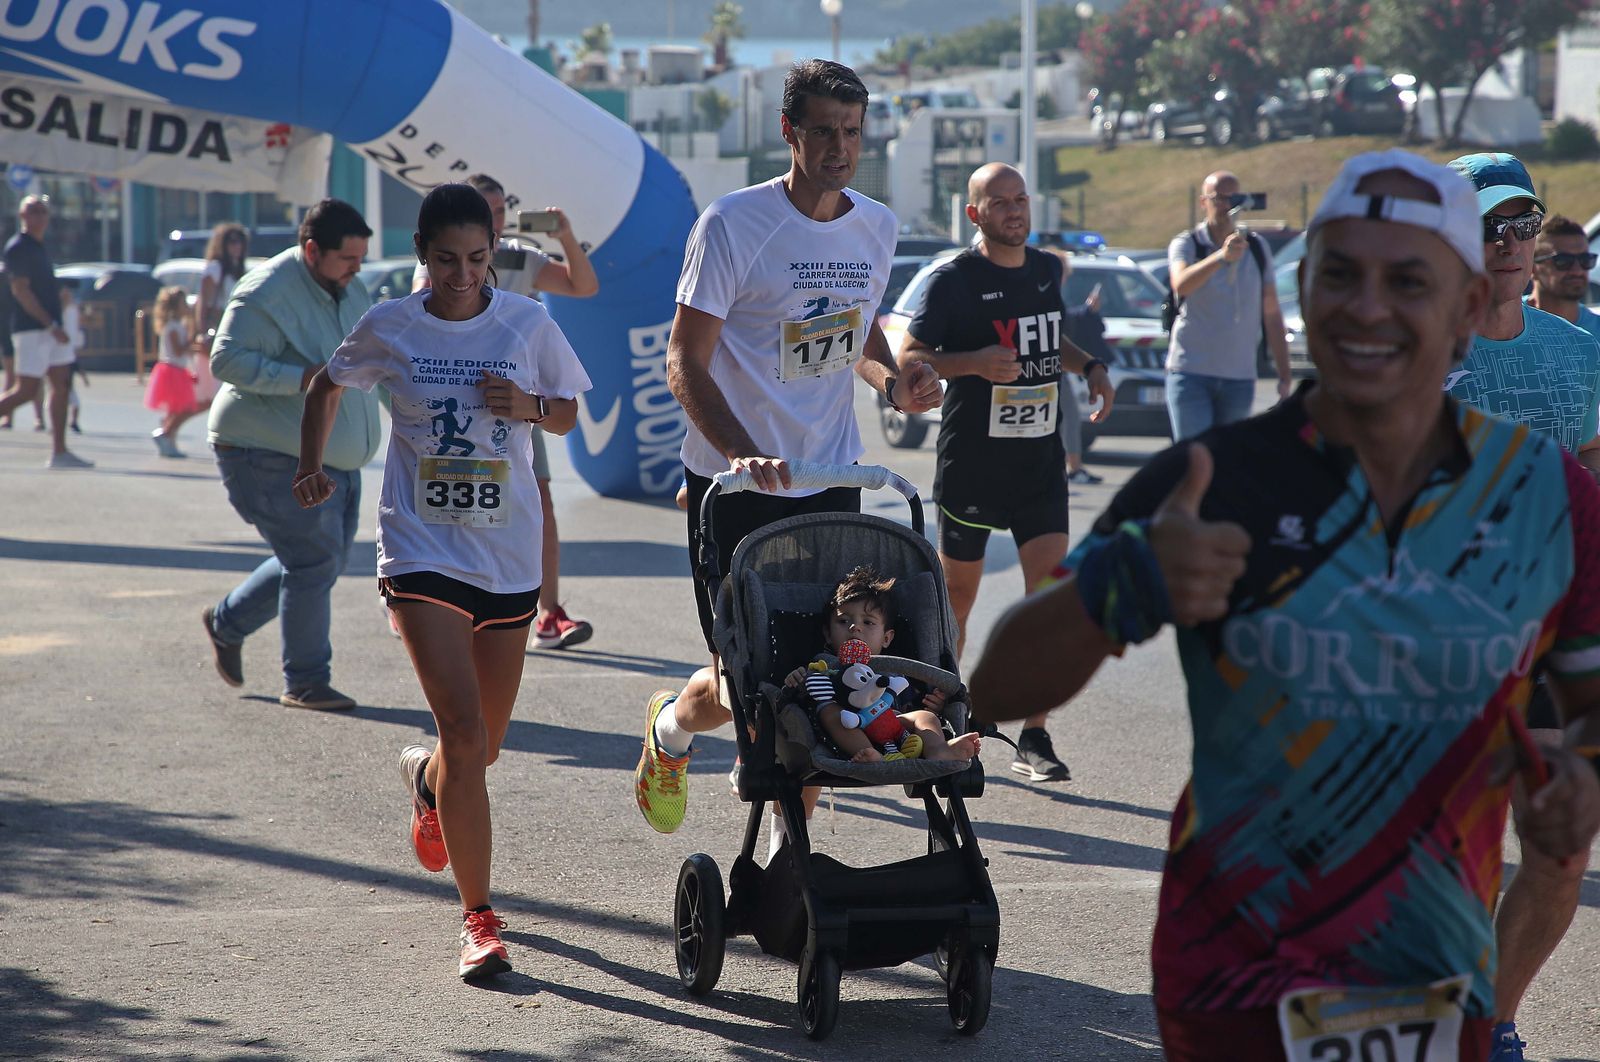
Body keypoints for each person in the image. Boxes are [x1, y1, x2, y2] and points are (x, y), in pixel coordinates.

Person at [967, 149, 1600, 1060]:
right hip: (1234, 977)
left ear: (1467, 304)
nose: (1369, 306)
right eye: (1340, 273)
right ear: (1306, 295)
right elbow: (994, 687)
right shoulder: (1214, 479)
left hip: (1435, 981)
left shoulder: (1547, 493)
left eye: (1407, 279)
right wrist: (1126, 582)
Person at [633, 58, 941, 837]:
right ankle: (672, 728)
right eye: (823, 131)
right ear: (789, 132)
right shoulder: (734, 223)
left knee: (824, 676)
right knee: (746, 679)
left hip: (830, 478)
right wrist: (741, 454)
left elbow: (858, 329)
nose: (840, 147)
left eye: (853, 131)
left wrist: (893, 381)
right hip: (736, 488)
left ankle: (783, 878)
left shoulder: (875, 224)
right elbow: (684, 361)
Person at [295, 181, 591, 982]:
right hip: (422, 552)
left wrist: (526, 403)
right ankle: (481, 920)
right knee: (463, 732)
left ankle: (428, 786)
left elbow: (567, 412)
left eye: (478, 259)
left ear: (493, 253)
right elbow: (325, 384)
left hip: (508, 556)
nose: (464, 275)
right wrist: (311, 467)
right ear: (423, 256)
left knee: (479, 751)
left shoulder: (526, 322)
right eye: (447, 260)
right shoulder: (390, 323)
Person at [1443, 153, 1600, 1062]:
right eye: (1488, 226)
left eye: (1522, 224)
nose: (1509, 244)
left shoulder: (1579, 357)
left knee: (1558, 854)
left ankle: (1488, 1021)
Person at [898, 163, 1115, 784]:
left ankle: (1035, 733)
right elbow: (913, 355)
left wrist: (1090, 367)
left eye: (1021, 199)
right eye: (1000, 202)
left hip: (1038, 466)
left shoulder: (1047, 269)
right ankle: (929, 724)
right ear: (975, 214)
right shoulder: (953, 282)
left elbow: (1053, 342)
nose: (1014, 210)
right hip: (973, 465)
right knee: (955, 603)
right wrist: (970, 362)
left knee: (1047, 601)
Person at [200, 199, 377, 712]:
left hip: (330, 457)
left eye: (361, 259)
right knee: (313, 560)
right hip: (262, 451)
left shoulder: (347, 285)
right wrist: (303, 379)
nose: (357, 269)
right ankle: (305, 680)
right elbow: (226, 359)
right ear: (311, 250)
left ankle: (227, 621)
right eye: (348, 259)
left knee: (317, 560)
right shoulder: (265, 291)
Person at [413, 172, 599, 651]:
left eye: (498, 213)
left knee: (538, 499)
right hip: (456, 401)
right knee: (445, 492)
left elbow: (583, 285)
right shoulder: (445, 267)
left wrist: (564, 237)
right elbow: (417, 308)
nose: (493, 222)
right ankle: (422, 589)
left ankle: (546, 610)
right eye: (484, 211)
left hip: (512, 400)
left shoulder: (518, 258)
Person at [786, 565, 982, 766]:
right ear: (828, 633)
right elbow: (809, 693)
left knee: (925, 717)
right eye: (843, 621)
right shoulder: (823, 663)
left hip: (892, 727)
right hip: (848, 725)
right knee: (829, 711)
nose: (855, 627)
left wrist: (937, 705)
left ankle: (938, 749)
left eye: (868, 622)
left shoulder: (896, 668)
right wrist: (797, 679)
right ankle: (869, 753)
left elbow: (910, 700)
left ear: (887, 638)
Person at [1165, 171, 1292, 440]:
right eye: (1218, 198)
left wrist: (1284, 373)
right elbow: (1181, 284)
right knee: (1193, 458)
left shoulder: (1256, 248)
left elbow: (1271, 312)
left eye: (1233, 198)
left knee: (1226, 464)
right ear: (1203, 202)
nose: (1226, 206)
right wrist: (1220, 257)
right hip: (1191, 373)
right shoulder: (1188, 243)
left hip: (1239, 377)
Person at [0, 196, 91, 468]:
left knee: (61, 384)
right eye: (33, 211)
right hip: (33, 329)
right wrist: (49, 324)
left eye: (43, 211)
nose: (39, 216)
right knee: (26, 390)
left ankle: (59, 452)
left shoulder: (40, 247)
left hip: (54, 329)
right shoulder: (18, 247)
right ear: (22, 216)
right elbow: (21, 290)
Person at [194, 222, 249, 406]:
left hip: (236, 329)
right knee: (214, 390)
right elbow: (203, 303)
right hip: (217, 328)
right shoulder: (215, 268)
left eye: (240, 242)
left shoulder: (239, 269)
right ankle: (170, 427)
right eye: (232, 242)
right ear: (222, 245)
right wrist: (201, 331)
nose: (237, 246)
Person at [144, 286, 200, 458]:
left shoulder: (179, 325)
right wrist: (191, 342)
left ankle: (168, 440)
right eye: (184, 303)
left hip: (178, 369)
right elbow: (177, 351)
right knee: (181, 408)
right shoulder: (173, 327)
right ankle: (165, 433)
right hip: (172, 371)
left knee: (175, 409)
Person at [1526, 213, 1600, 343]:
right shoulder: (1506, 323)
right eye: (1563, 261)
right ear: (1532, 268)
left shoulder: (1596, 333)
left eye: (1585, 260)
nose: (1577, 271)